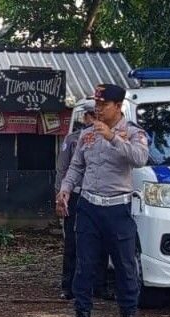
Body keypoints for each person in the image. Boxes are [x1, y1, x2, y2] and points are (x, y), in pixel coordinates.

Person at [56, 84, 149, 317]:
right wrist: (65, 188)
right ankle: (82, 314)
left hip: (117, 208)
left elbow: (140, 158)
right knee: (84, 264)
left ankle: (128, 314)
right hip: (88, 206)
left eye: (103, 105)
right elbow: (76, 166)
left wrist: (112, 137)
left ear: (118, 107)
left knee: (124, 264)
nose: (98, 109)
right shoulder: (87, 134)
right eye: (96, 105)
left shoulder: (132, 133)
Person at [55, 104, 114, 301]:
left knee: (102, 242)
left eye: (94, 115)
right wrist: (61, 194)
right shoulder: (73, 139)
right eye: (90, 116)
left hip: (99, 194)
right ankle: (68, 286)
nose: (91, 119)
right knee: (72, 242)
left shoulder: (110, 137)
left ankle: (100, 285)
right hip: (75, 194)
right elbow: (63, 169)